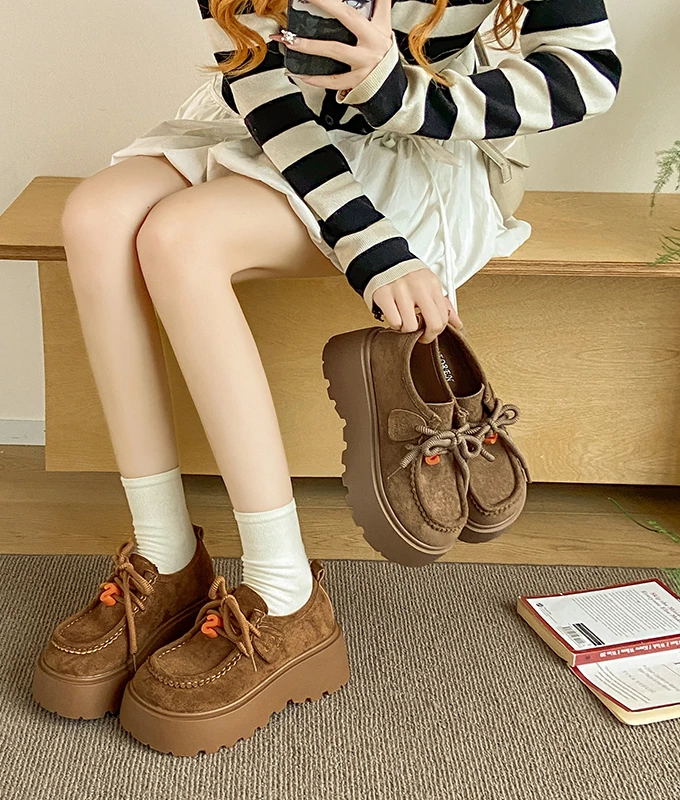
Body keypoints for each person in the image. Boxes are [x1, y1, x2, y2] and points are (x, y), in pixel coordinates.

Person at [31, 0, 621, 755]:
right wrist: (367, 243)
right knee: (93, 217)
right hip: (274, 126)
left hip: (422, 139)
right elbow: (257, 81)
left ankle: (286, 592)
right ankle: (167, 557)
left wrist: (394, 93)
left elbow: (589, 73)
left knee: (180, 239)